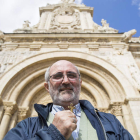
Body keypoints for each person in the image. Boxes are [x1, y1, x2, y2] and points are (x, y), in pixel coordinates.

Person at [3, 60, 134, 140]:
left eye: (71, 75)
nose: (65, 81)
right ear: (47, 87)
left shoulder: (111, 122)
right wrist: (53, 135)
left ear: (80, 83)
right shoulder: (26, 127)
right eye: (58, 76)